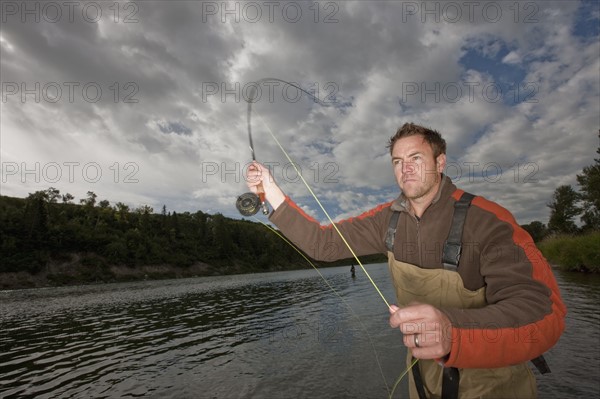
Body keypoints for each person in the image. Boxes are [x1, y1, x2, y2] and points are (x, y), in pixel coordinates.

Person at [245, 122, 566, 398]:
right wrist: (270, 191)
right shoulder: (387, 220)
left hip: (494, 387)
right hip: (422, 382)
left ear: (440, 162)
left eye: (415, 158)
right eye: (397, 161)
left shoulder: (490, 221)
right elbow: (323, 245)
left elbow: (543, 314)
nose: (405, 169)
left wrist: (453, 333)